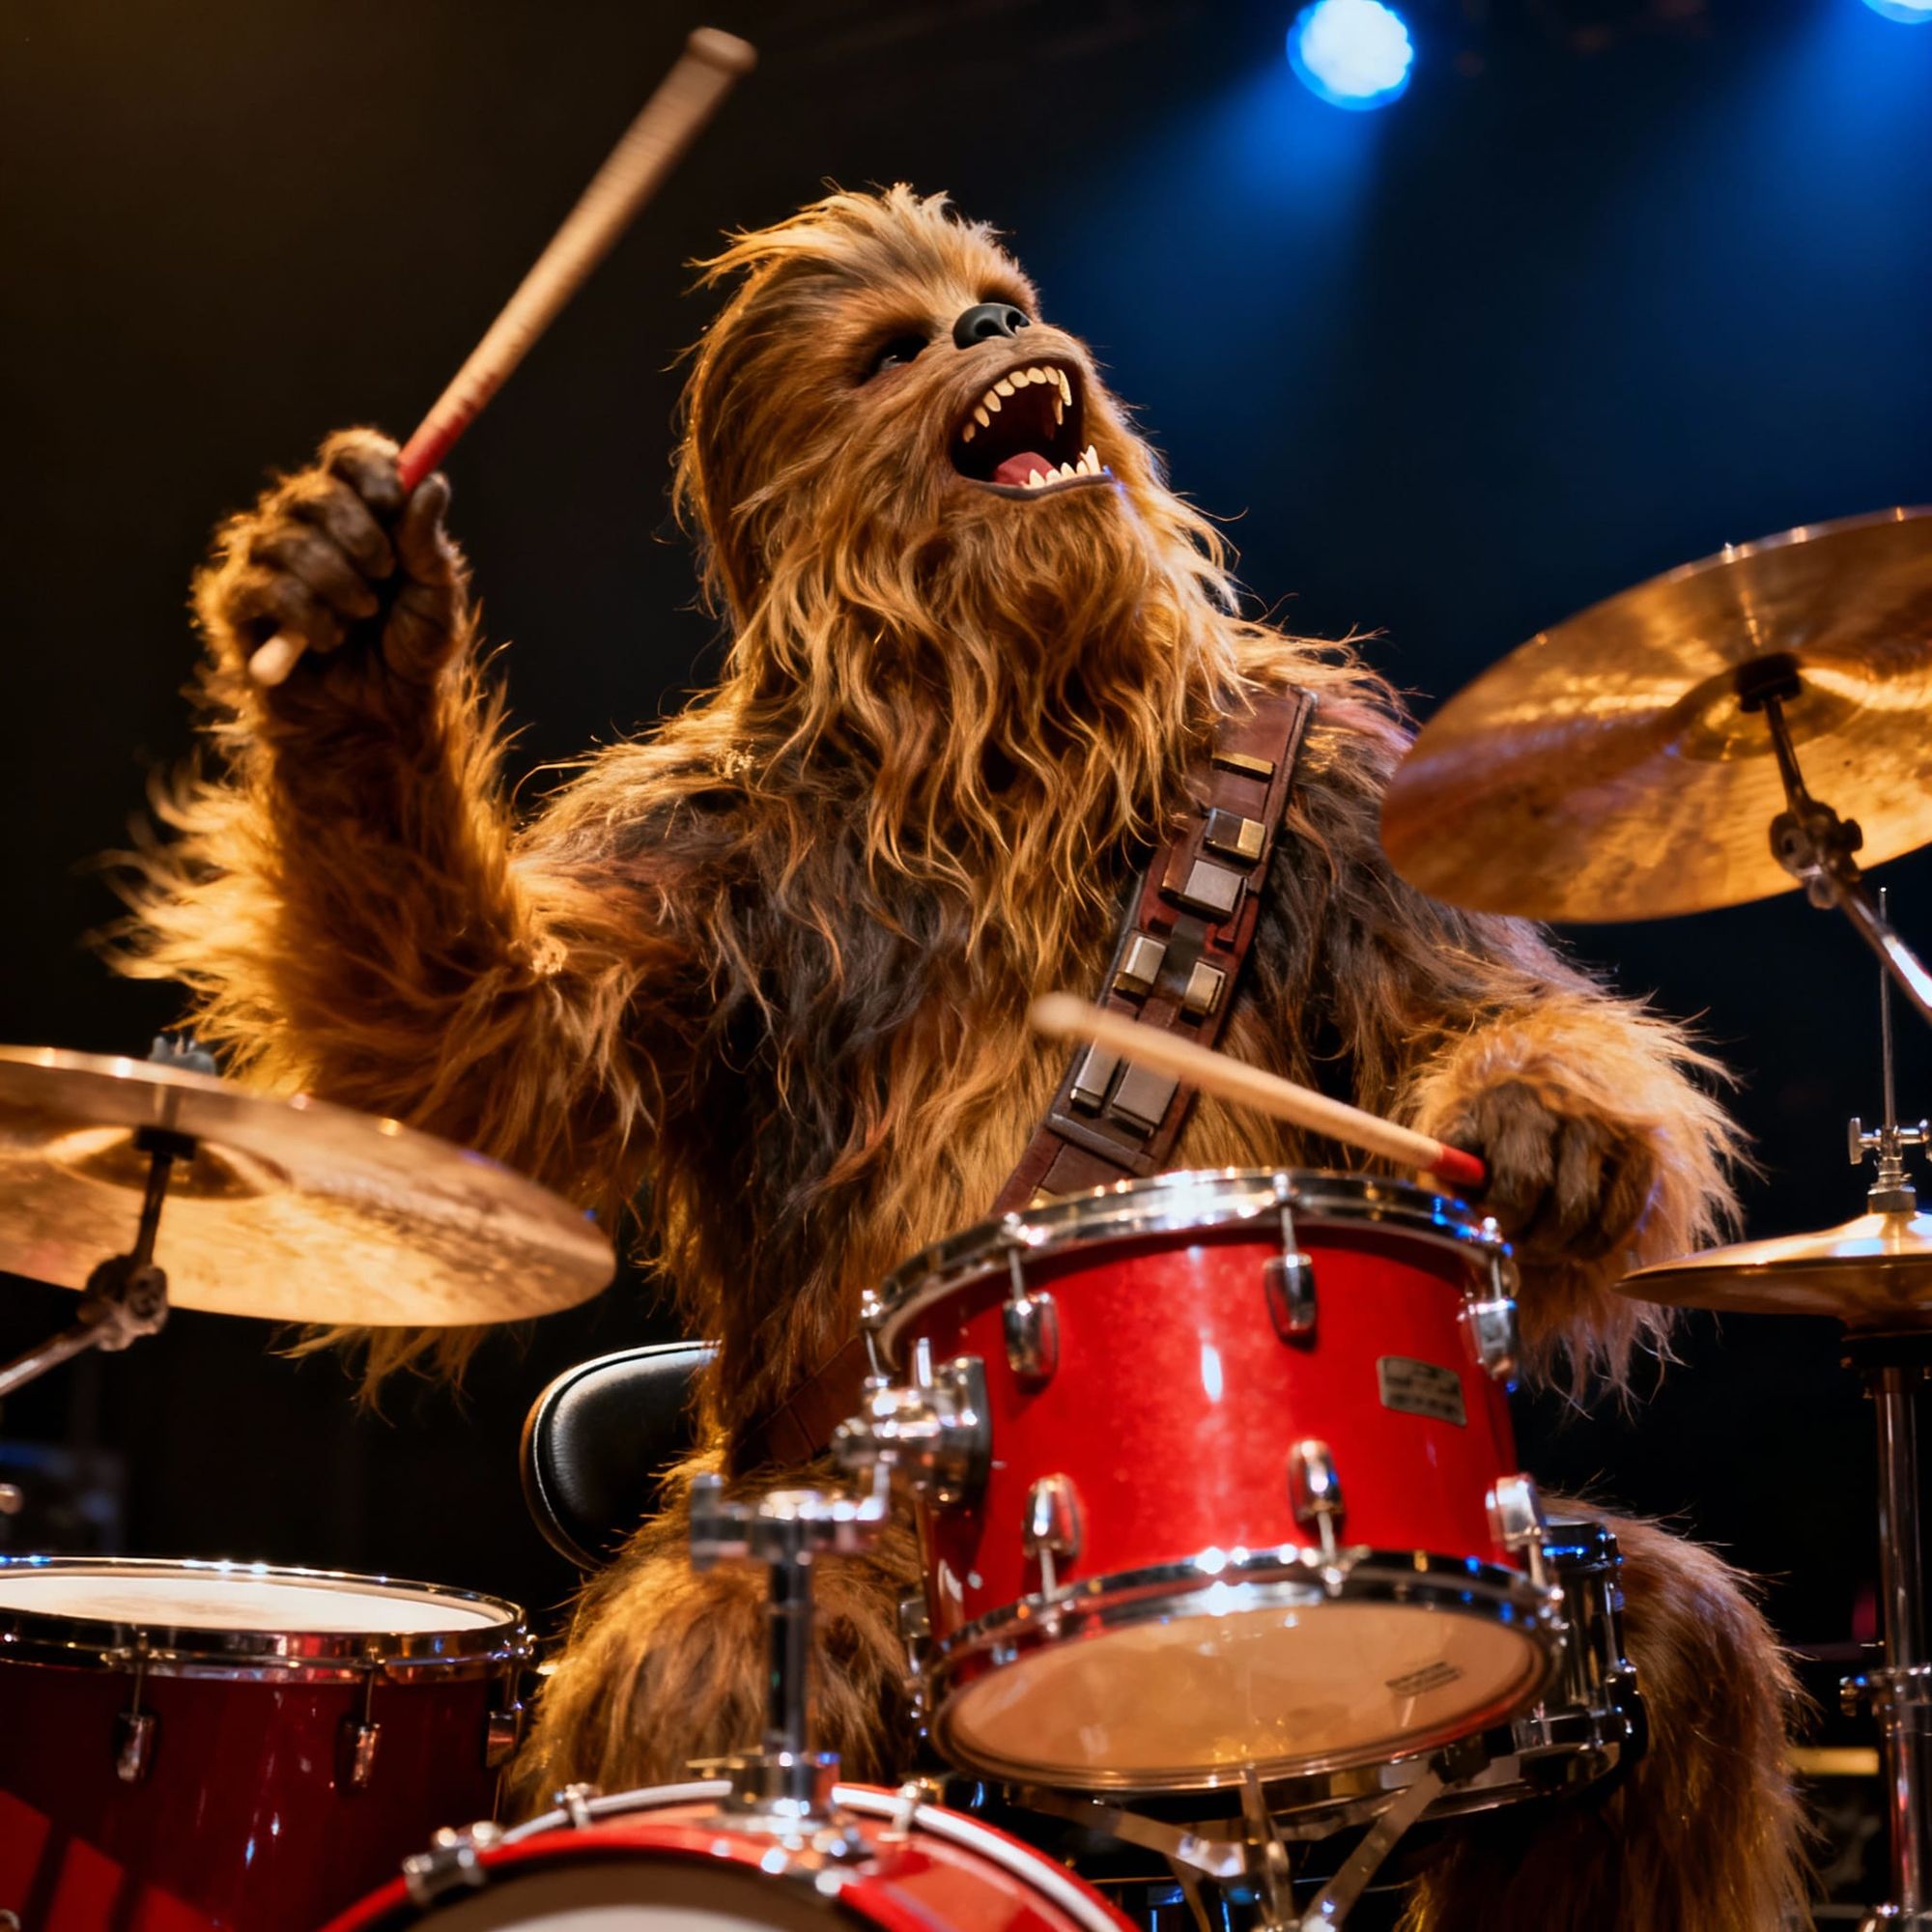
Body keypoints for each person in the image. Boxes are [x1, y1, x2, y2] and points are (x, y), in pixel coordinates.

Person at [126, 186, 1804, 1928]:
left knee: (1668, 1651)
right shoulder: (726, 830)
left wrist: (1551, 1104)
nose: (993, 342)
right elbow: (475, 1079)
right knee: (707, 1676)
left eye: (1001, 306)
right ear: (791, 510)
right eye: (896, 353)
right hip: (871, 1542)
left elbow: (1510, 1034)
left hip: (1279, 1519)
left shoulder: (1296, 769)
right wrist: (355, 741)